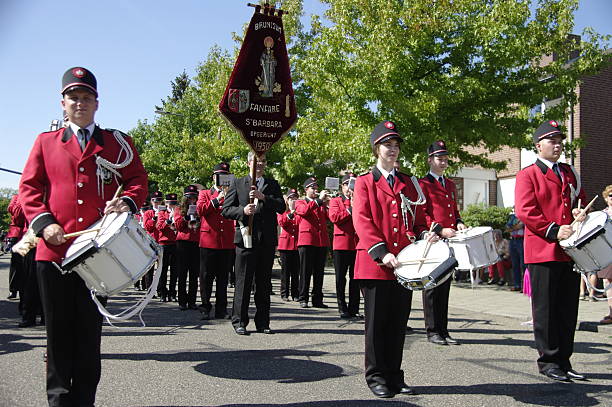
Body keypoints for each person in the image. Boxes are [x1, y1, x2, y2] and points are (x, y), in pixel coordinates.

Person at [19, 67, 147, 406]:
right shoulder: (45, 143)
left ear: (97, 103)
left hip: (97, 256)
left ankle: (84, 401)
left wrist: (127, 201)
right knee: (58, 335)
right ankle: (58, 401)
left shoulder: (116, 143)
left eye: (86, 97)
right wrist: (44, 223)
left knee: (89, 337)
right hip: (55, 254)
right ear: (62, 103)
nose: (80, 103)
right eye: (73, 97)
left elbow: (137, 180)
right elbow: (29, 188)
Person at [352, 120, 435, 398]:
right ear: (377, 148)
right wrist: (381, 251)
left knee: (398, 323)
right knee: (377, 325)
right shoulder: (365, 181)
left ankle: (394, 374)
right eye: (388, 144)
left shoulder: (408, 182)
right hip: (376, 264)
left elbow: (419, 217)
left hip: (405, 263)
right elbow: (362, 221)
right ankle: (376, 376)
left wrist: (426, 235)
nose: (393, 149)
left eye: (396, 145)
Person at [515, 119, 586, 382]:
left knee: (568, 310)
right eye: (552, 141)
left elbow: (578, 198)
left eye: (560, 141)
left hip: (570, 251)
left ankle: (564, 360)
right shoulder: (527, 174)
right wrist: (553, 230)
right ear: (538, 145)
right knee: (546, 311)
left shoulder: (568, 172)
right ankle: (548, 361)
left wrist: (579, 211)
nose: (557, 145)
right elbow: (525, 210)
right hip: (543, 251)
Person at [222, 152, 285, 335]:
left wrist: (263, 197)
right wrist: (243, 210)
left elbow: (281, 206)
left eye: (263, 162)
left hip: (266, 240)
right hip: (245, 239)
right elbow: (226, 210)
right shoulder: (238, 183)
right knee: (243, 281)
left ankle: (263, 322)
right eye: (257, 161)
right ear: (248, 162)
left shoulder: (272, 184)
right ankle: (239, 321)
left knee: (264, 284)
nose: (260, 165)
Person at [418, 140, 466, 346]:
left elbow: (453, 211)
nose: (444, 161)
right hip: (433, 238)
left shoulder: (450, 184)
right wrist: (439, 229)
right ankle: (432, 330)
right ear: (430, 160)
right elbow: (422, 213)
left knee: (445, 285)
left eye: (446, 158)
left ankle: (443, 329)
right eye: (439, 158)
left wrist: (460, 222)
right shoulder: (422, 184)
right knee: (431, 286)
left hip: (449, 241)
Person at [197, 163, 235, 319]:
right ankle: (205, 307)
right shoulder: (206, 193)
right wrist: (216, 200)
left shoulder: (232, 193)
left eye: (225, 175)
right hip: (208, 241)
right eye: (219, 175)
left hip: (226, 241)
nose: (222, 179)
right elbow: (200, 210)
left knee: (223, 278)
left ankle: (221, 309)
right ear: (213, 177)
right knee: (206, 277)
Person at [295, 177, 331, 308]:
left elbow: (329, 218)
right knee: (305, 271)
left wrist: (328, 205)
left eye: (316, 188)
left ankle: (317, 299)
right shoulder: (300, 202)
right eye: (313, 188)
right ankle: (302, 298)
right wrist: (319, 200)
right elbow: (304, 211)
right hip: (307, 241)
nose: (316, 190)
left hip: (321, 241)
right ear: (306, 190)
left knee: (319, 272)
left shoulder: (320, 203)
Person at [329, 173, 360, 318]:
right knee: (340, 278)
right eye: (347, 184)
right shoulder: (336, 200)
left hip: (356, 244)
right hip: (341, 245)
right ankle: (342, 307)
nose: (350, 188)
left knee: (356, 279)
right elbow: (334, 218)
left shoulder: (359, 200)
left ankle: (354, 308)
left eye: (352, 184)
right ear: (342, 187)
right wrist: (350, 209)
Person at [174, 185, 201, 311]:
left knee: (194, 274)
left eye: (194, 197)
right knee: (182, 273)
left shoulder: (198, 209)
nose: (192, 200)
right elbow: (178, 226)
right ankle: (182, 301)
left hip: (196, 242)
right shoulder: (179, 209)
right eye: (190, 198)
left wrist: (197, 217)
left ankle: (192, 301)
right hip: (183, 243)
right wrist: (186, 217)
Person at [277, 188, 300, 302]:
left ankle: (295, 293)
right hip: (285, 245)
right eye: (291, 198)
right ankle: (284, 293)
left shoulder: (300, 212)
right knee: (285, 271)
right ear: (287, 200)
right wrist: (291, 212)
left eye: (295, 198)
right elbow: (282, 223)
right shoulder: (283, 212)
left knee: (296, 272)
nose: (293, 201)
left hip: (296, 245)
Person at [156, 193, 179, 302]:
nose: (172, 206)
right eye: (170, 204)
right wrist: (168, 220)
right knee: (163, 270)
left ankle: (172, 293)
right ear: (166, 203)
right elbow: (159, 227)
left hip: (175, 243)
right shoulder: (162, 213)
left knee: (175, 270)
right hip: (164, 244)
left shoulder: (178, 212)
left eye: (174, 204)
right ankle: (163, 293)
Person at [598, 184, 612, 324]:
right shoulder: (603, 214)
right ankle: (611, 312)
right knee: (607, 281)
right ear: (606, 198)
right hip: (607, 251)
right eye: (610, 195)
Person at [7, 194, 25, 300]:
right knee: (15, 263)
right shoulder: (16, 197)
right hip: (17, 233)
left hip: (29, 233)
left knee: (28, 265)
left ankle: (25, 291)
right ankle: (13, 289)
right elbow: (17, 213)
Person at [506, 207, 525, 291]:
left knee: (523, 264)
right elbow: (507, 228)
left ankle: (524, 285)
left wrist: (513, 227)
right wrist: (515, 227)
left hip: (521, 240)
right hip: (513, 240)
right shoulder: (512, 217)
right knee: (515, 264)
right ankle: (517, 285)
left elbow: (520, 225)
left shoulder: (524, 216)